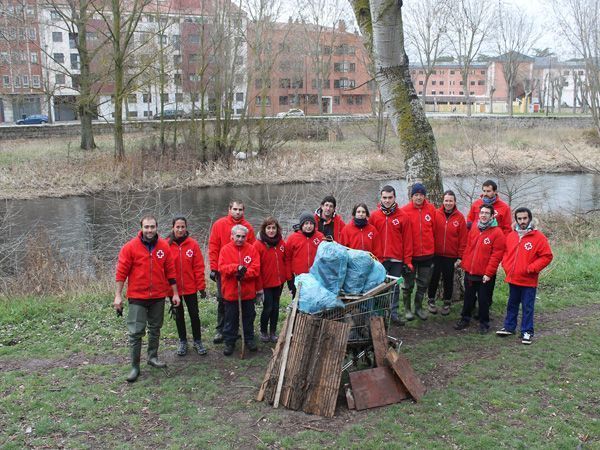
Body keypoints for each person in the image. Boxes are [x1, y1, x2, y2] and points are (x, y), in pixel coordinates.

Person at [114, 215, 180, 383]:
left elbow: (171, 272)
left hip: (158, 296)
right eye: (146, 227)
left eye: (152, 227)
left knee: (155, 328)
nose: (150, 230)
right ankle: (135, 366)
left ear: (157, 227)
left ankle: (152, 357)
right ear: (141, 228)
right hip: (137, 296)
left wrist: (175, 293)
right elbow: (121, 273)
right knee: (136, 333)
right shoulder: (130, 247)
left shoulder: (164, 246)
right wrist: (118, 296)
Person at [496, 207, 553, 345]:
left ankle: (527, 331)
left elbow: (547, 256)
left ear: (529, 218)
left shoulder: (538, 237)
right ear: (516, 219)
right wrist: (506, 265)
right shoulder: (511, 235)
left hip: (529, 280)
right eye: (519, 219)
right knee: (512, 304)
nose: (522, 221)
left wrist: (532, 268)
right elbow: (505, 253)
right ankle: (509, 327)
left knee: (527, 307)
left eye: (525, 218)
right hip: (513, 278)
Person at [208, 200, 256, 345]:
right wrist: (213, 267)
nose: (237, 212)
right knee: (224, 301)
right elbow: (213, 246)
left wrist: (246, 270)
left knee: (244, 304)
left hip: (244, 271)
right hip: (225, 270)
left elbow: (252, 248)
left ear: (243, 211)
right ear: (229, 209)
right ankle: (221, 330)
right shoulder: (219, 224)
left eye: (240, 209)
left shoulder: (248, 227)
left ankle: (242, 331)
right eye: (235, 209)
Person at [455, 204, 506, 334]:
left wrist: (489, 273)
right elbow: (468, 246)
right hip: (470, 271)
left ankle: (484, 323)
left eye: (486, 213)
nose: (483, 215)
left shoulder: (497, 232)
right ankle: (465, 319)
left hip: (485, 274)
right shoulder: (474, 227)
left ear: (491, 215)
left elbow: (496, 256)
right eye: (481, 212)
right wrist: (464, 263)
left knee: (483, 300)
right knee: (468, 297)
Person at [370, 185, 413, 325]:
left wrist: (408, 261)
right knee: (379, 288)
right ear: (380, 198)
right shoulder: (374, 216)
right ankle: (379, 315)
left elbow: (408, 240)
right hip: (379, 259)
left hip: (396, 259)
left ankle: (393, 315)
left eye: (390, 198)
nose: (387, 201)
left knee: (394, 288)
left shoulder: (403, 217)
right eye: (384, 198)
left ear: (394, 198)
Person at [218, 224, 261, 356]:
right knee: (231, 318)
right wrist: (235, 269)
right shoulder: (225, 250)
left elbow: (256, 269)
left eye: (243, 236)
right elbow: (222, 268)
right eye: (238, 236)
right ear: (232, 236)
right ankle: (229, 341)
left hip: (247, 293)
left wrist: (244, 274)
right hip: (231, 292)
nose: (240, 239)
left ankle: (249, 339)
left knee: (248, 317)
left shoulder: (252, 249)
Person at [168, 216, 207, 357]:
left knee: (194, 315)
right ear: (173, 227)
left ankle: (198, 341)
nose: (180, 229)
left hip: (190, 287)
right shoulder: (166, 244)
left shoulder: (193, 244)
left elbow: (198, 267)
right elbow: (163, 269)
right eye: (177, 227)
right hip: (174, 289)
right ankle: (183, 341)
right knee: (179, 316)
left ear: (186, 228)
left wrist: (201, 287)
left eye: (182, 226)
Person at [427, 190, 467, 316]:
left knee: (448, 279)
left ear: (454, 202)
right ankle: (431, 300)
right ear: (443, 201)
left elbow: (463, 239)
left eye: (451, 200)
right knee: (434, 277)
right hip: (436, 254)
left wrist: (460, 256)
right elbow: (429, 233)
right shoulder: (436, 214)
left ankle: (447, 302)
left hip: (451, 255)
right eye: (446, 200)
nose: (448, 203)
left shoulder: (460, 217)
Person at [401, 183, 437, 321]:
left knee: (423, 284)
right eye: (416, 195)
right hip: (410, 256)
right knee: (408, 285)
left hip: (427, 255)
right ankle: (407, 309)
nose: (419, 197)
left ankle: (418, 307)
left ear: (424, 196)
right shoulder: (404, 211)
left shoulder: (431, 209)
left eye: (421, 195)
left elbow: (434, 231)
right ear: (412, 196)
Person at [254, 217, 290, 343]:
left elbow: (286, 260)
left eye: (273, 228)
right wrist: (258, 287)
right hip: (265, 284)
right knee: (268, 308)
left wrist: (286, 277)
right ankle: (264, 331)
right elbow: (256, 268)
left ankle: (273, 331)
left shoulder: (281, 243)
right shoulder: (258, 245)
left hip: (278, 283)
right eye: (268, 228)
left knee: (275, 308)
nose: (271, 230)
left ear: (277, 229)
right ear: (264, 229)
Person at [285, 212, 325, 298]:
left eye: (311, 223)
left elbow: (324, 258)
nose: (309, 226)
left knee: (315, 302)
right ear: (301, 225)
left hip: (316, 277)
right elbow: (287, 259)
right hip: (298, 278)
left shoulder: (320, 237)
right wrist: (289, 279)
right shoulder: (292, 238)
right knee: (298, 303)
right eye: (306, 223)